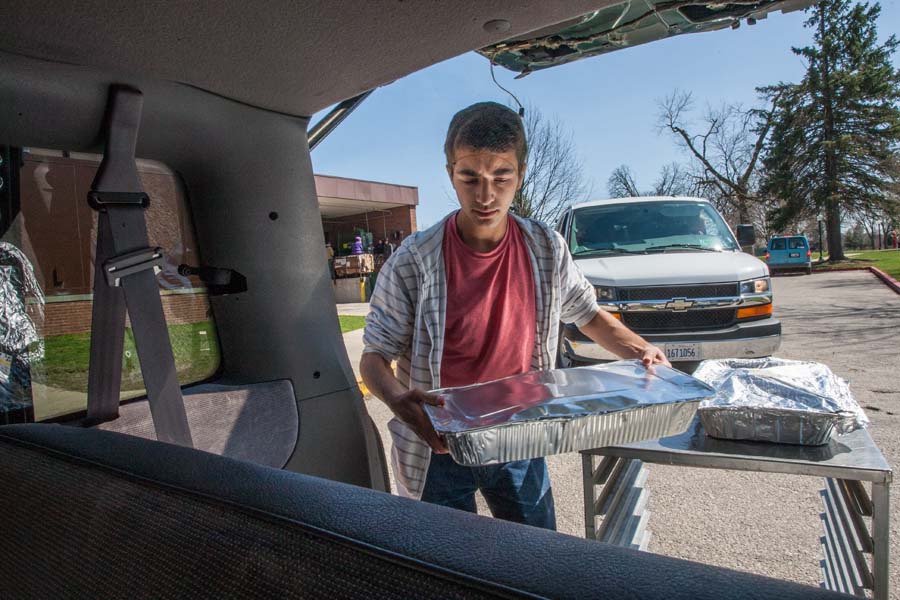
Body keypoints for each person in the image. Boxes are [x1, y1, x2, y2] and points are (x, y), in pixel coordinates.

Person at [360, 102, 669, 530]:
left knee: (536, 558)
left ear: (520, 175)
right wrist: (397, 398)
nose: (485, 195)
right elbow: (374, 356)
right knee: (449, 568)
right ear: (450, 173)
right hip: (440, 445)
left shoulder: (546, 247)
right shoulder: (414, 259)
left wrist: (642, 350)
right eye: (470, 177)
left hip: (520, 436)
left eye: (500, 177)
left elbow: (588, 315)